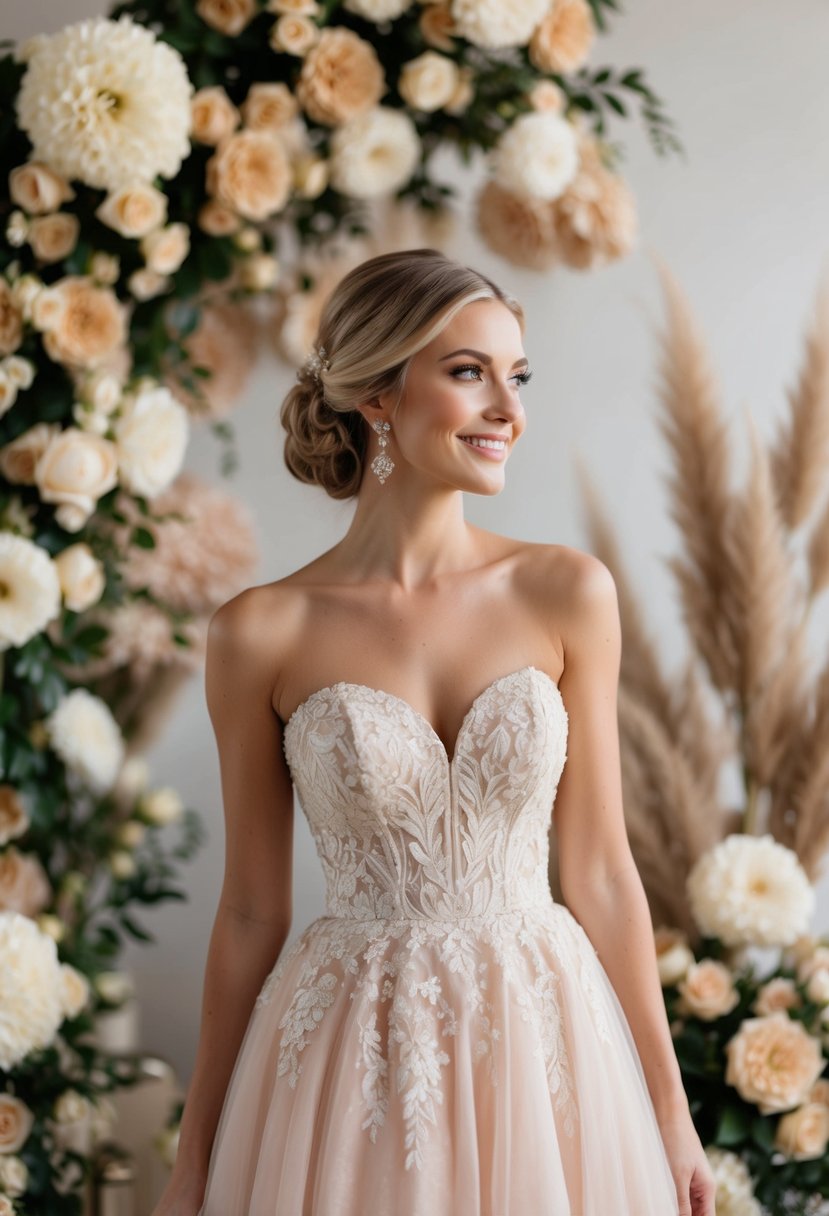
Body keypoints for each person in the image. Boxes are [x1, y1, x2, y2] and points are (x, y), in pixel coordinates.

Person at [154, 248, 716, 1216]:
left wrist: (669, 1111)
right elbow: (251, 909)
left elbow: (601, 872)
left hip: (545, 1042)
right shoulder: (259, 630)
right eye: (469, 372)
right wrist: (195, 1151)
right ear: (377, 393)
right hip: (351, 1057)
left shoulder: (567, 591)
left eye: (517, 375)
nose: (510, 409)